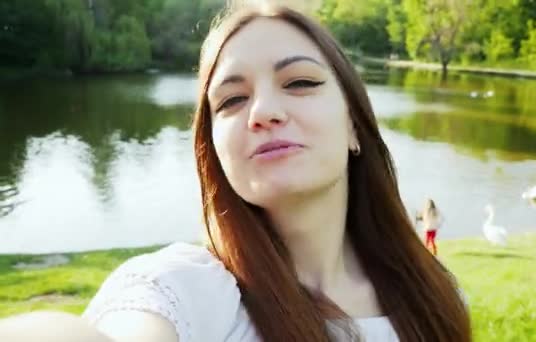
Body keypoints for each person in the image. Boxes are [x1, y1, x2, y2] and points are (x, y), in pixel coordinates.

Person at [0, 2, 470, 341]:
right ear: (214, 149)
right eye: (232, 99)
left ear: (354, 125)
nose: (262, 111)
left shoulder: (433, 293)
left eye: (300, 82)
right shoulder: (185, 292)